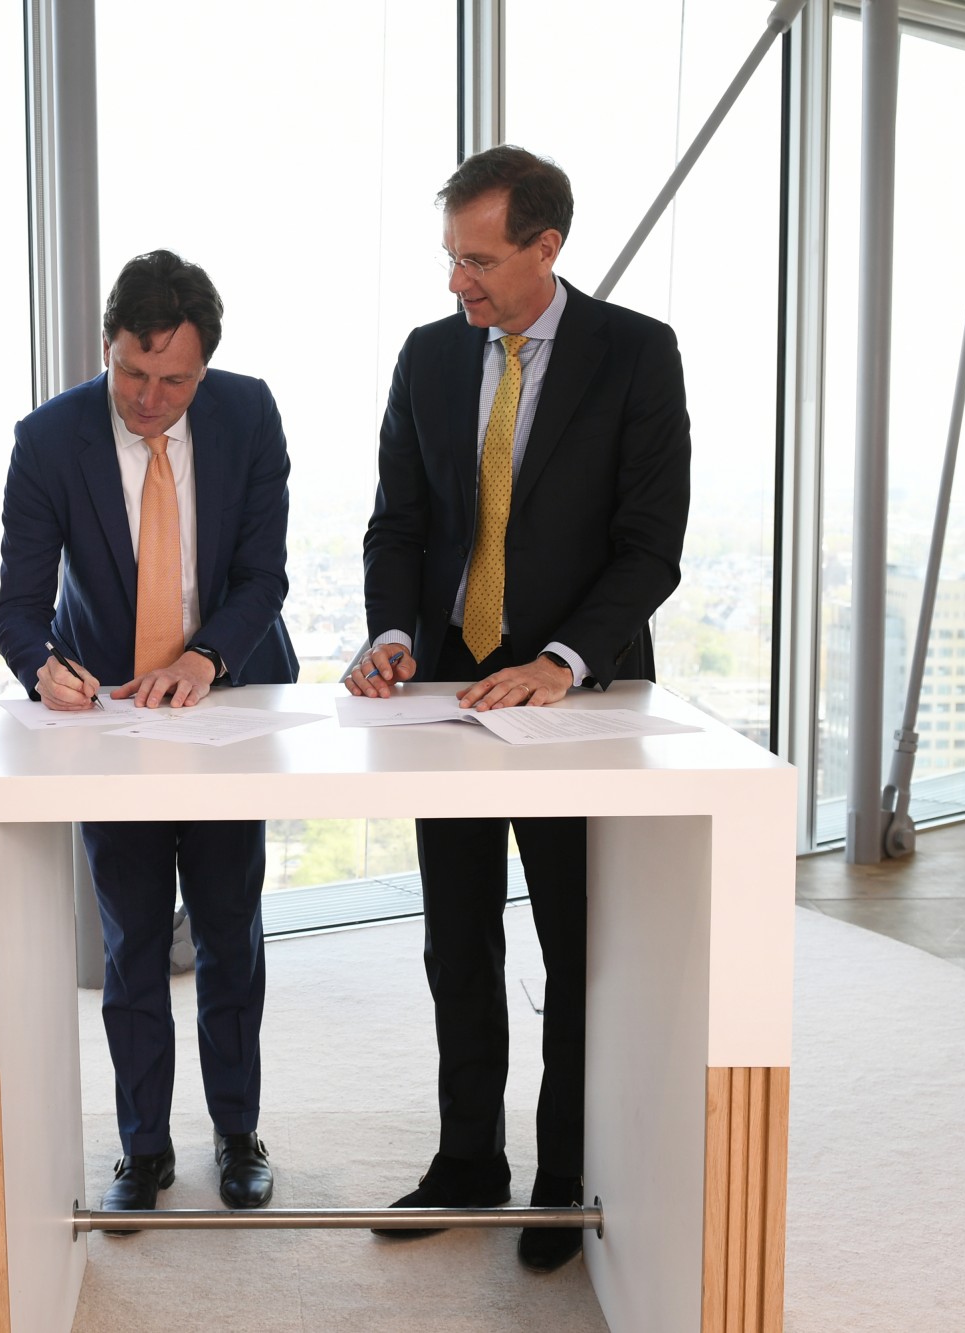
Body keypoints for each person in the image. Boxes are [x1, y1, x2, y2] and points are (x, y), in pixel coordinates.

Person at [347, 146, 691, 1272]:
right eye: (452, 258)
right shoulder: (428, 357)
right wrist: (394, 633)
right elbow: (397, 519)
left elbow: (649, 547)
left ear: (547, 248)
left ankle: (559, 1173)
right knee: (456, 939)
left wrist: (561, 656)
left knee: (571, 940)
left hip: (571, 699)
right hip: (444, 694)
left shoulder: (636, 355)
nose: (459, 284)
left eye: (480, 260)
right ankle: (466, 1158)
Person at [0, 249, 296, 1225]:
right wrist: (42, 666)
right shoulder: (48, 439)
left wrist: (205, 657)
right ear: (108, 348)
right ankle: (142, 1146)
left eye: (174, 381)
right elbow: (16, 608)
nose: (151, 399)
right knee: (127, 942)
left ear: (204, 369)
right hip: (109, 718)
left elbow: (260, 576)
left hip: (225, 704)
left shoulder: (247, 414)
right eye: (133, 373)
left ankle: (239, 1131)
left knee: (227, 933)